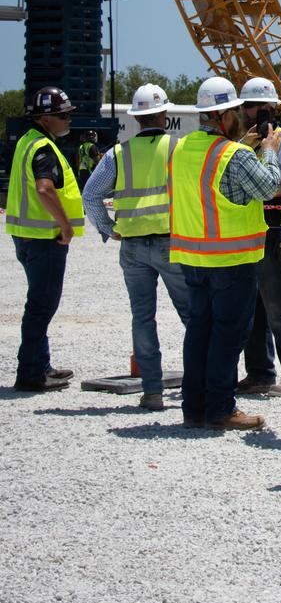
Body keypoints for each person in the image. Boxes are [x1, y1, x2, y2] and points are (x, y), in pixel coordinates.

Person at [169, 76, 281, 431]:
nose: (242, 118)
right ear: (224, 116)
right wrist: (269, 150)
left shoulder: (183, 147)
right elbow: (268, 188)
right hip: (231, 260)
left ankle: (194, 408)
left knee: (199, 331)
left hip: (192, 257)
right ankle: (220, 408)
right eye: (236, 111)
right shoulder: (234, 154)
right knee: (228, 334)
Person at [82, 83, 191, 411]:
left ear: (136, 118)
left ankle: (153, 392)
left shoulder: (118, 153)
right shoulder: (178, 148)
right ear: (164, 113)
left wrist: (108, 228)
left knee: (143, 318)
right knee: (192, 315)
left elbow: (91, 195)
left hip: (131, 246)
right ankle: (197, 386)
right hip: (171, 243)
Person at [236, 76, 281, 395]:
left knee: (279, 305)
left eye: (256, 108)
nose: (250, 113)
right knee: (251, 307)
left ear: (271, 110)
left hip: (273, 231)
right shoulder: (244, 142)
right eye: (247, 107)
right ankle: (260, 372)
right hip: (248, 233)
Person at [6, 87, 83, 391]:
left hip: (26, 236)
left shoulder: (27, 141)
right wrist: (64, 225)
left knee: (38, 303)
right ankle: (31, 373)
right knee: (41, 306)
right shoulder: (43, 148)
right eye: (63, 115)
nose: (68, 120)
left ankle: (41, 365)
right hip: (44, 239)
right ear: (46, 118)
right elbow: (44, 188)